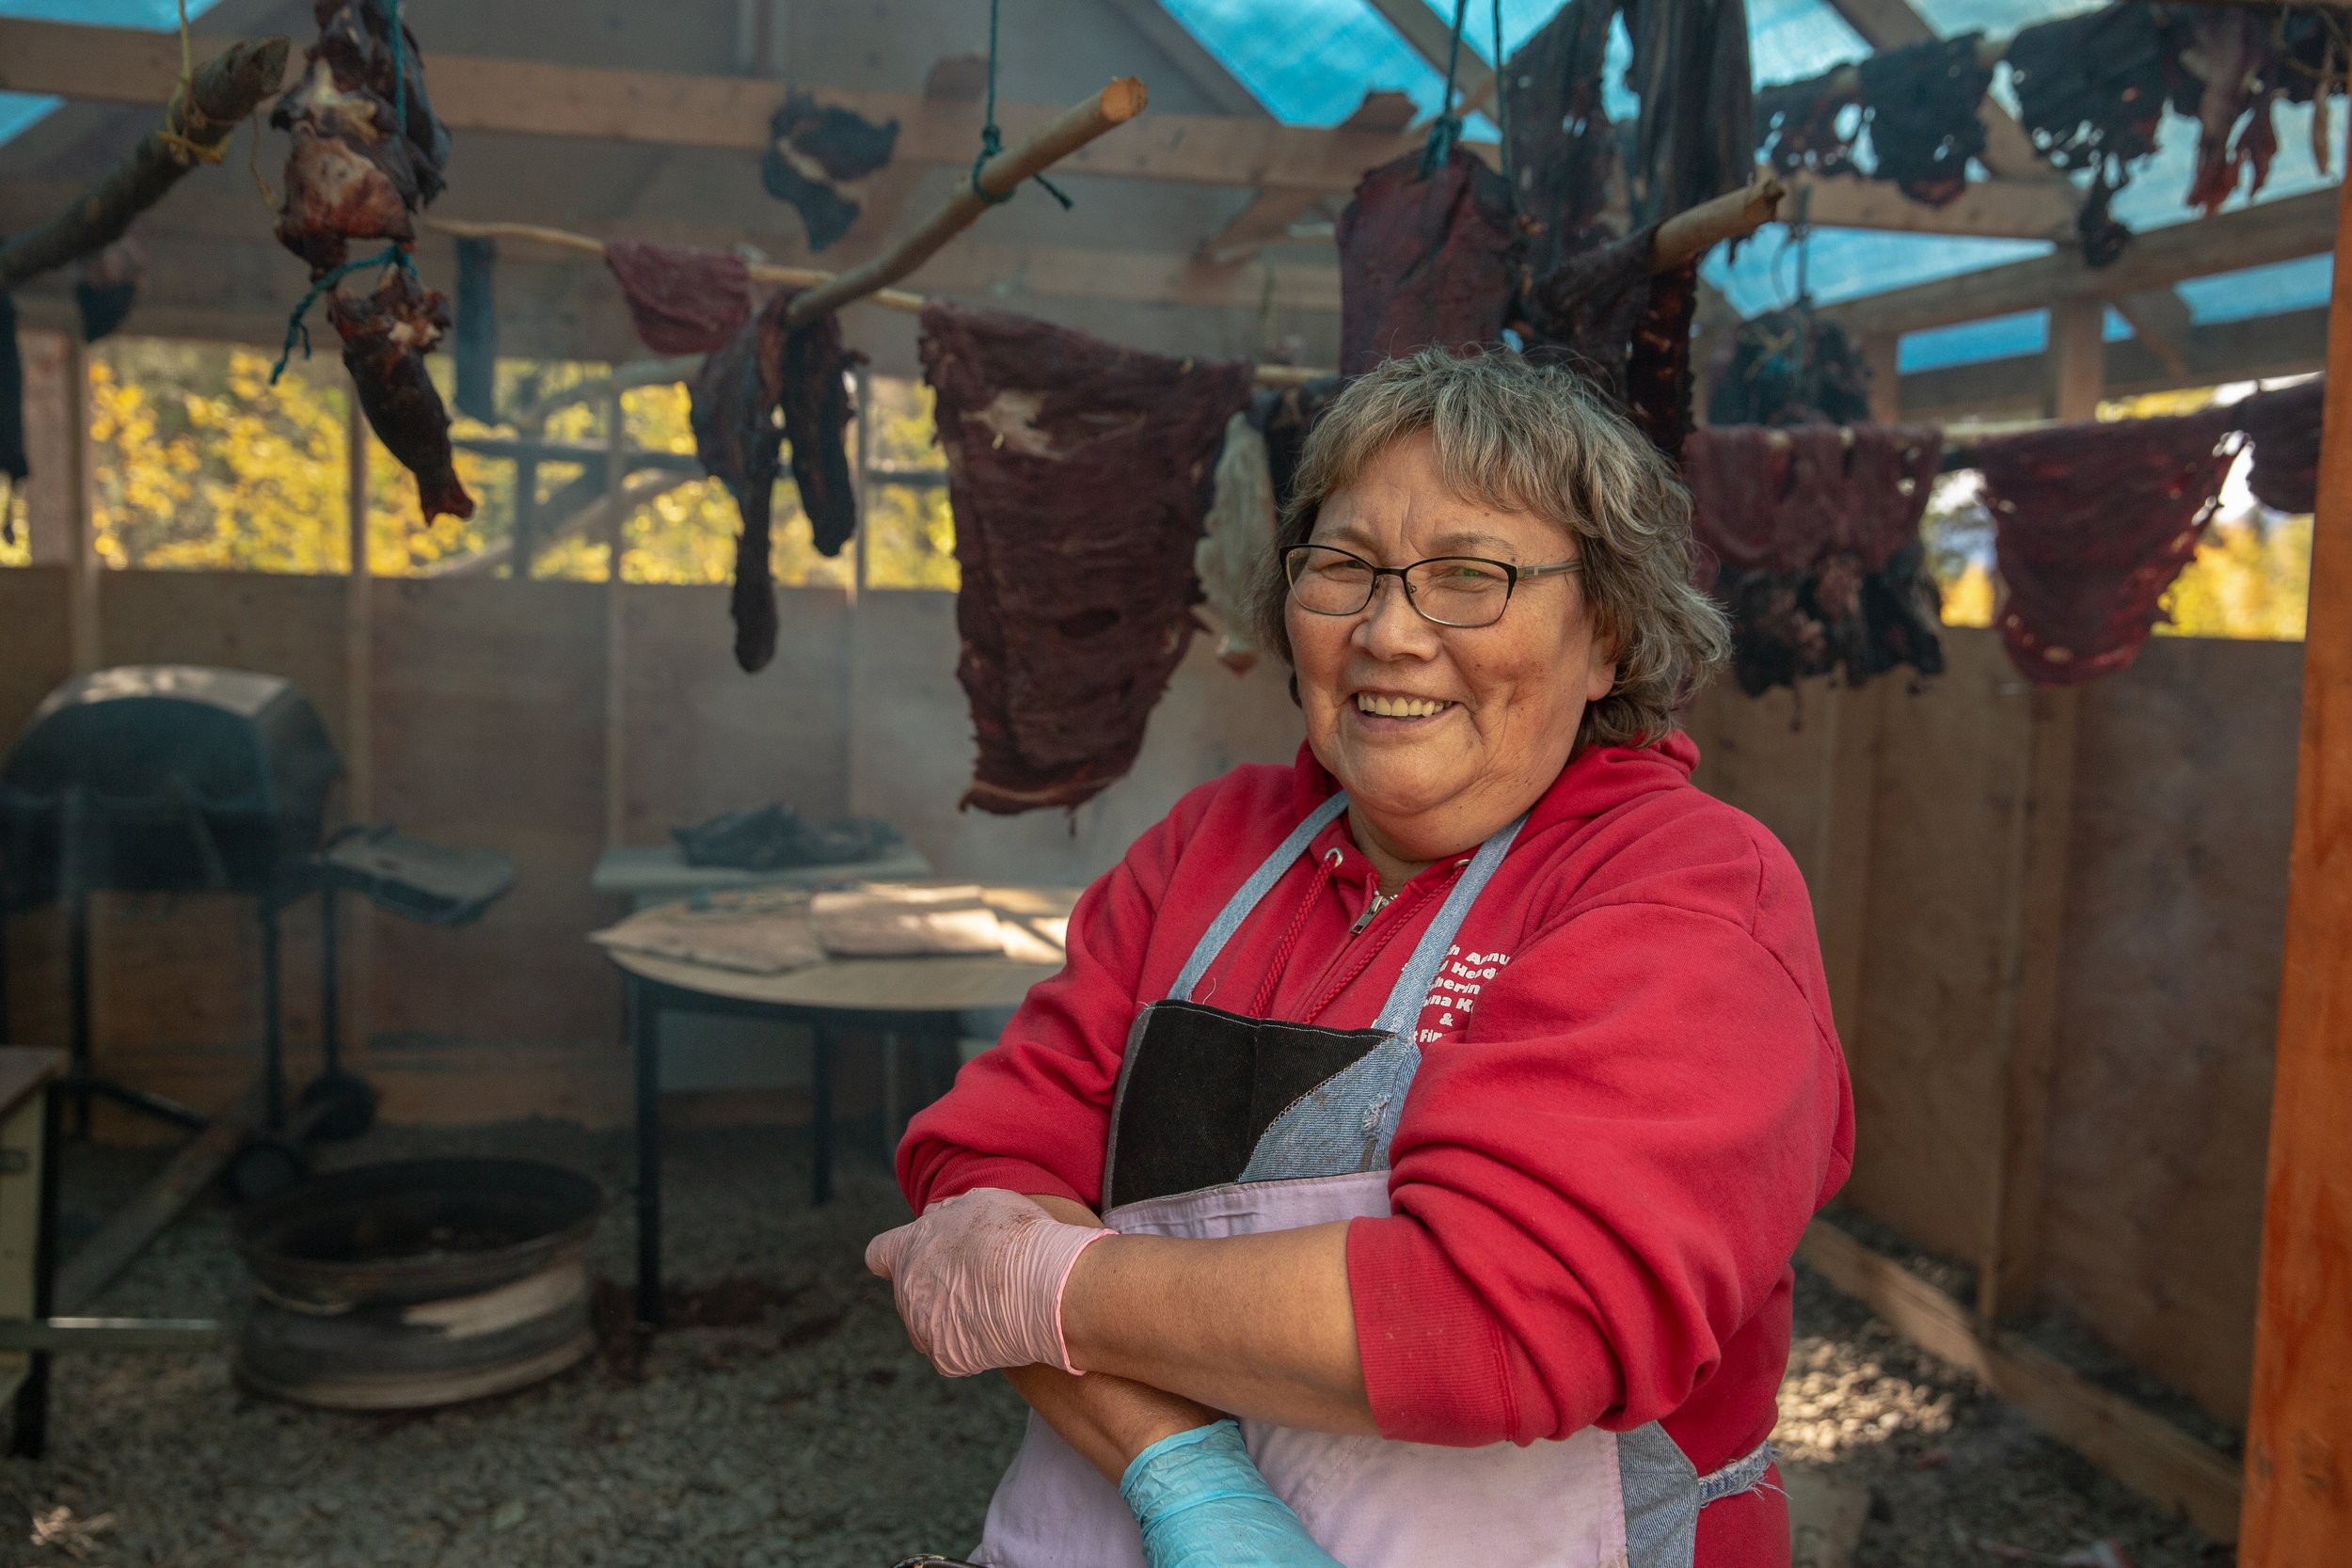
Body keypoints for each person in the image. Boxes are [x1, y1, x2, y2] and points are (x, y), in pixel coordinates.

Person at [866, 347, 1854, 1568]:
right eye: (1344, 569)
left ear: (1607, 637)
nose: (1389, 631)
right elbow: (987, 1172)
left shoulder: (1690, 893)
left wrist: (1054, 1289)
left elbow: (1505, 1321)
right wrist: (1182, 1478)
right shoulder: (1212, 851)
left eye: (1468, 576)